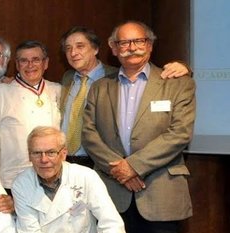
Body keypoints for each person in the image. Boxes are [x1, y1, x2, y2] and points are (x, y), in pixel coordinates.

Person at [82, 20, 196, 233]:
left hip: (159, 189)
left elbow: (180, 134)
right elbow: (89, 133)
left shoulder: (177, 83)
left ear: (150, 45)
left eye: (139, 42)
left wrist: (134, 167)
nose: (131, 48)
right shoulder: (100, 88)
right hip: (116, 192)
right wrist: (121, 170)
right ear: (113, 49)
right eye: (123, 43)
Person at [59, 26, 190, 168]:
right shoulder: (67, 79)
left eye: (80, 46)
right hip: (67, 161)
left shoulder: (117, 76)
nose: (73, 53)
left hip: (101, 163)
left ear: (96, 49)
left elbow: (154, 75)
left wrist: (184, 68)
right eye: (68, 48)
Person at [0, 40, 61, 189]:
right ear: (17, 65)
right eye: (24, 60)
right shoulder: (1, 92)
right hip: (12, 180)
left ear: (46, 63)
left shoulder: (57, 90)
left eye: (36, 60)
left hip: (52, 177)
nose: (30, 65)